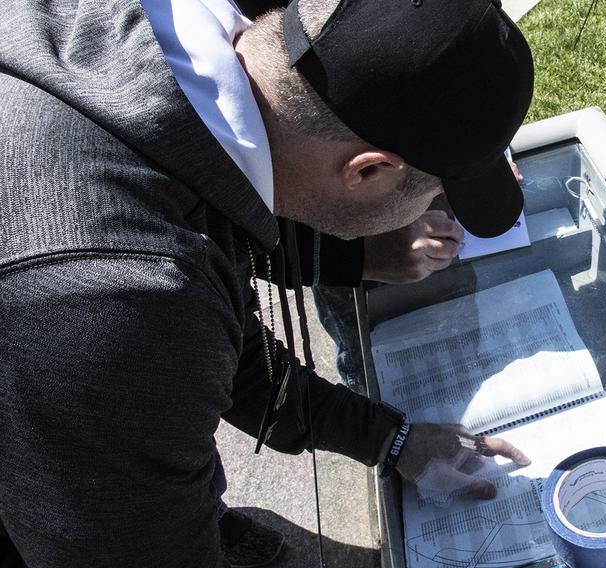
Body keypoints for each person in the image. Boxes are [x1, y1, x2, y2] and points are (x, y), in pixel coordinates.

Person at [0, 0, 535, 566]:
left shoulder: (166, 71)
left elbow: (217, 351)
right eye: (430, 195)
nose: (429, 212)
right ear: (369, 169)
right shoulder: (118, 303)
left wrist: (387, 439)